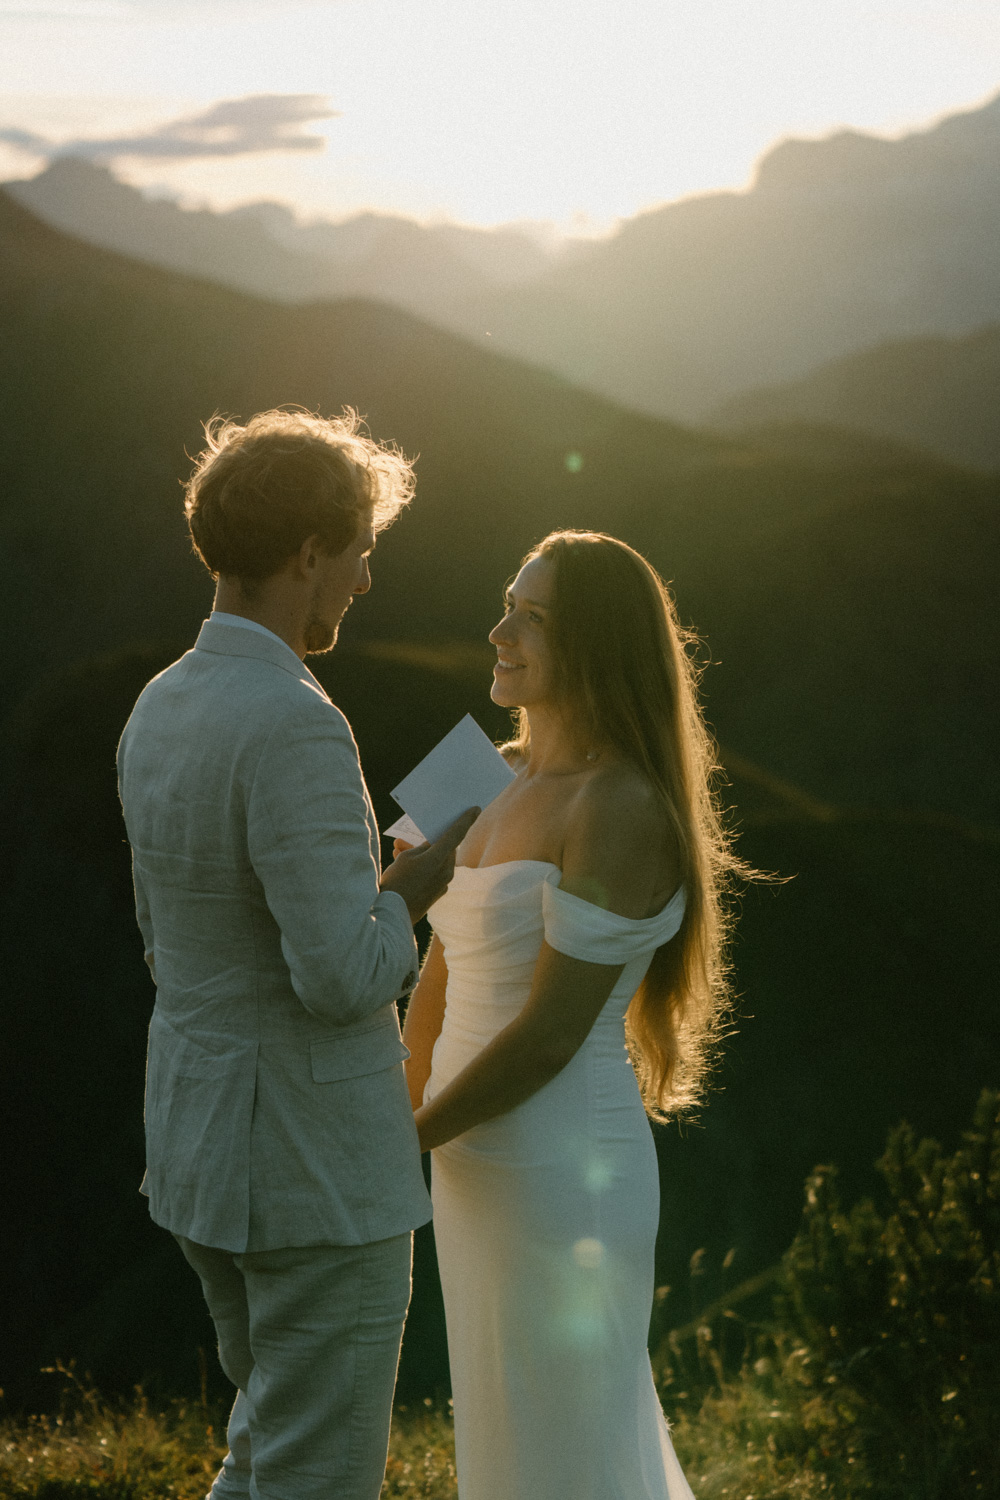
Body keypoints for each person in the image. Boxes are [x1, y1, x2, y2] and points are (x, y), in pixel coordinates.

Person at [117, 408, 477, 1500]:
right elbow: (340, 978)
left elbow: (171, 934)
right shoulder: (295, 721)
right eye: (360, 554)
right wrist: (412, 888)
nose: (364, 582)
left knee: (265, 1456)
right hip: (312, 1177)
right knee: (314, 1475)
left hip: (200, 1144)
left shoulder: (161, 702)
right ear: (310, 554)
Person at [402, 529, 745, 1500]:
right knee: (503, 1427)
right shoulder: (468, 769)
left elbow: (552, 1033)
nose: (498, 629)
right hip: (466, 1163)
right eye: (508, 602)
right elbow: (423, 964)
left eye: (533, 617)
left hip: (561, 1167)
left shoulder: (623, 805)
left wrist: (409, 1137)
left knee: (572, 1437)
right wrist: (390, 1108)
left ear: (595, 645)